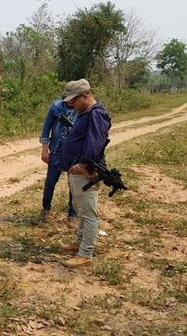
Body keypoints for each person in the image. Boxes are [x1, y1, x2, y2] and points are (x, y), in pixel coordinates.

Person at [59, 79, 111, 268]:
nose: (71, 104)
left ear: (86, 95)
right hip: (77, 169)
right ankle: (79, 242)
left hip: (86, 171)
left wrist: (83, 164)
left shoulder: (97, 115)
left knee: (88, 212)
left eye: (73, 100)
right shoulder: (85, 113)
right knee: (80, 208)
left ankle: (85, 253)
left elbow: (95, 143)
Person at [39, 97, 77, 225]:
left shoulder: (82, 108)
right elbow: (46, 129)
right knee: (50, 182)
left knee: (73, 184)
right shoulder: (56, 107)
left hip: (74, 152)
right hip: (56, 150)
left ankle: (73, 214)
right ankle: (45, 209)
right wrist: (45, 150)